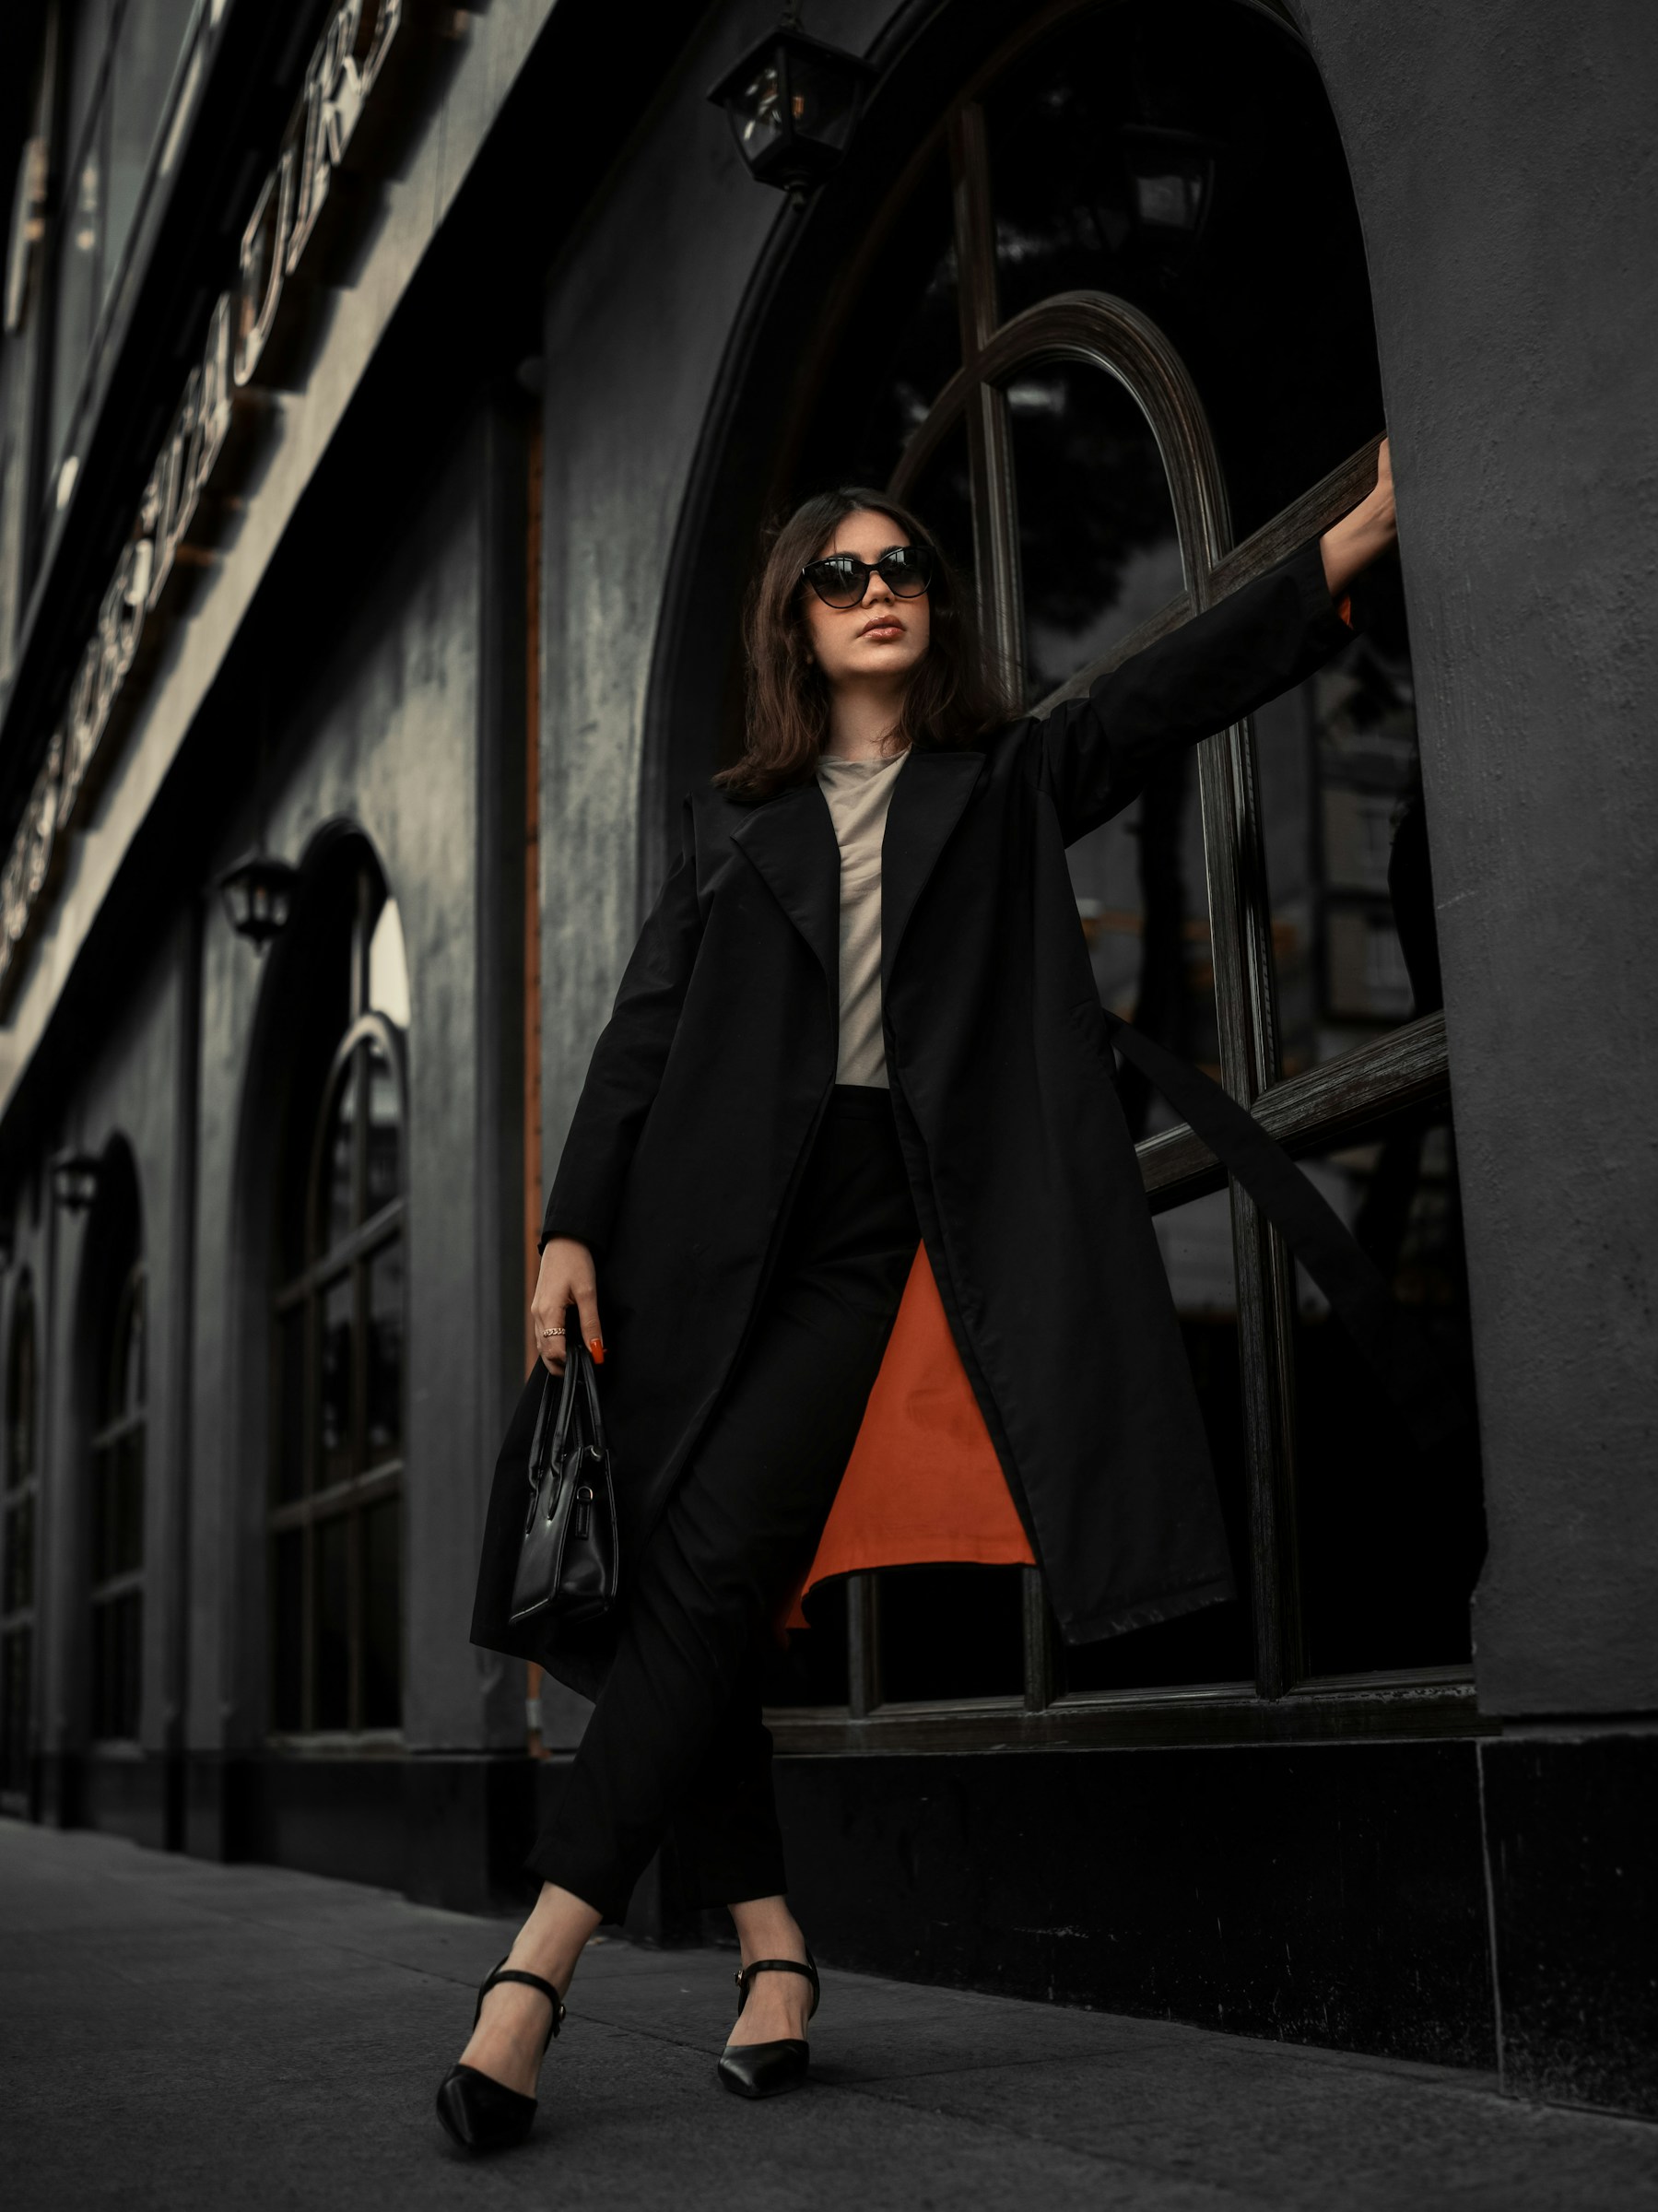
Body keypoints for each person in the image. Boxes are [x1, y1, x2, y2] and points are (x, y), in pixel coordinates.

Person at [436, 444, 1400, 2152]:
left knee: (716, 1566)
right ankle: (776, 1951)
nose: (883, 591)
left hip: (894, 1228)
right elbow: (637, 1038)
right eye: (845, 575)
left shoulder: (1004, 781)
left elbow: (1166, 688)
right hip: (704, 1246)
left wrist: (1343, 550)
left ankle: (537, 1970)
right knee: (684, 1589)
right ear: (796, 626)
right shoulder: (737, 833)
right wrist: (568, 1229)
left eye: (904, 570)